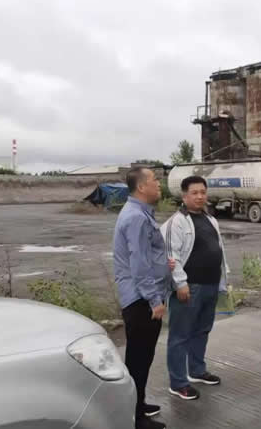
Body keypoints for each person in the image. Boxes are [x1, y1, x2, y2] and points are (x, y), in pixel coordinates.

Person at [161, 175, 229, 400]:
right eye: (194, 193)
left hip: (210, 285)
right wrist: (180, 284)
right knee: (180, 336)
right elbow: (171, 256)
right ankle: (178, 383)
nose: (200, 196)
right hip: (189, 288)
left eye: (203, 192)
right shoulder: (176, 222)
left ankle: (197, 371)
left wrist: (222, 282)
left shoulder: (210, 219)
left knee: (202, 330)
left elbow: (218, 251)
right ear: (184, 196)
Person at [113, 167, 170, 429]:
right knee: (138, 359)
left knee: (142, 358)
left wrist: (163, 263)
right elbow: (138, 264)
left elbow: (146, 255)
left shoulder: (140, 213)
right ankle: (135, 418)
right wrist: (154, 300)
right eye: (155, 180)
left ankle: (138, 403)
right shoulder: (136, 217)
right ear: (141, 187)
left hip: (142, 297)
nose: (159, 184)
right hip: (141, 301)